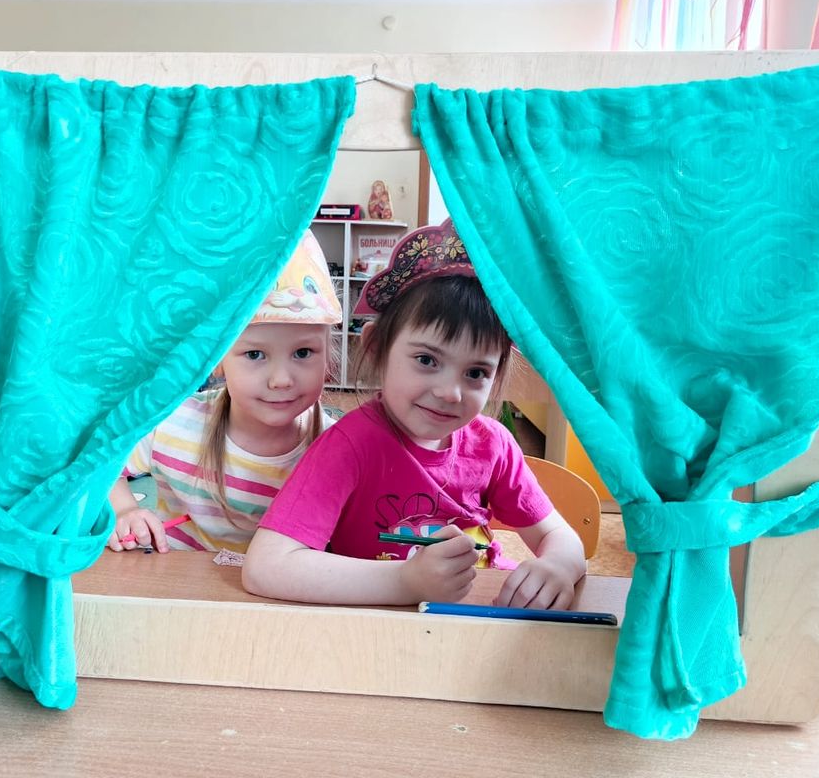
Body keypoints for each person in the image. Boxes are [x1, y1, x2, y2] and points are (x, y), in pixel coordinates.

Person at [243, 219, 586, 608]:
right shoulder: (349, 446)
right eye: (426, 360)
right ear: (376, 348)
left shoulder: (493, 445)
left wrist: (558, 565)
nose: (449, 392)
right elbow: (265, 566)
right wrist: (407, 582)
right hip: (384, 626)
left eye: (476, 373)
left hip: (479, 618)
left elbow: (560, 537)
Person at [106, 230, 342, 554]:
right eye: (255, 354)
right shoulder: (173, 424)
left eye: (303, 353)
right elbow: (103, 463)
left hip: (273, 587)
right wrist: (124, 510)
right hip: (173, 580)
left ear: (328, 356)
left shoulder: (338, 449)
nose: (281, 380)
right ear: (217, 360)